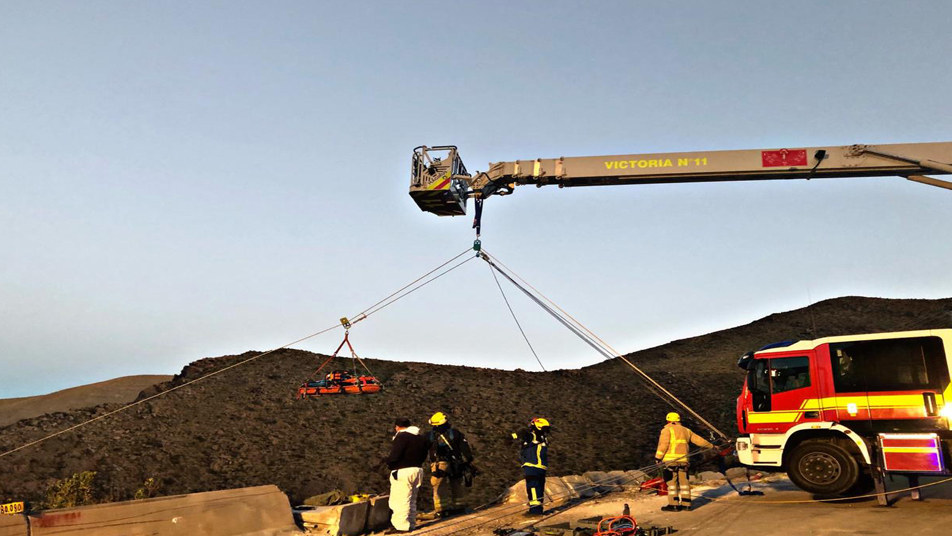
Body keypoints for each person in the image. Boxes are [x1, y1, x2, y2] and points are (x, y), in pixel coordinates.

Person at [654, 412, 712, 512]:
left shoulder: (667, 430)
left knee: (672, 483)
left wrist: (658, 457)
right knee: (684, 483)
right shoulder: (686, 430)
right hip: (684, 461)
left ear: (668, 420)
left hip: (670, 461)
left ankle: (674, 505)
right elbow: (699, 440)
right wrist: (711, 446)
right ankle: (686, 504)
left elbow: (663, 445)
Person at [384, 417, 430, 533]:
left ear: (397, 427)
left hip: (403, 471)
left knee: (400, 499)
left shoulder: (401, 437)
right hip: (417, 470)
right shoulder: (420, 438)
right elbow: (425, 454)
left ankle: (401, 526)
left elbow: (395, 455)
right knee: (412, 499)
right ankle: (411, 523)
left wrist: (389, 463)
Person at [425, 411, 475, 518]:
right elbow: (465, 449)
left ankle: (441, 510)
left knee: (439, 486)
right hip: (456, 463)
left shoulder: (429, 436)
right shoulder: (455, 433)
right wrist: (469, 461)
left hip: (438, 465)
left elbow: (423, 450)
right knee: (457, 484)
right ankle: (459, 507)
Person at [512, 417, 550, 516]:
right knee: (539, 488)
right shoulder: (543, 438)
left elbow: (523, 435)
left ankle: (535, 511)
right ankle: (538, 509)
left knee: (532, 487)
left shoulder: (533, 436)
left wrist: (512, 436)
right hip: (541, 467)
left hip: (532, 465)